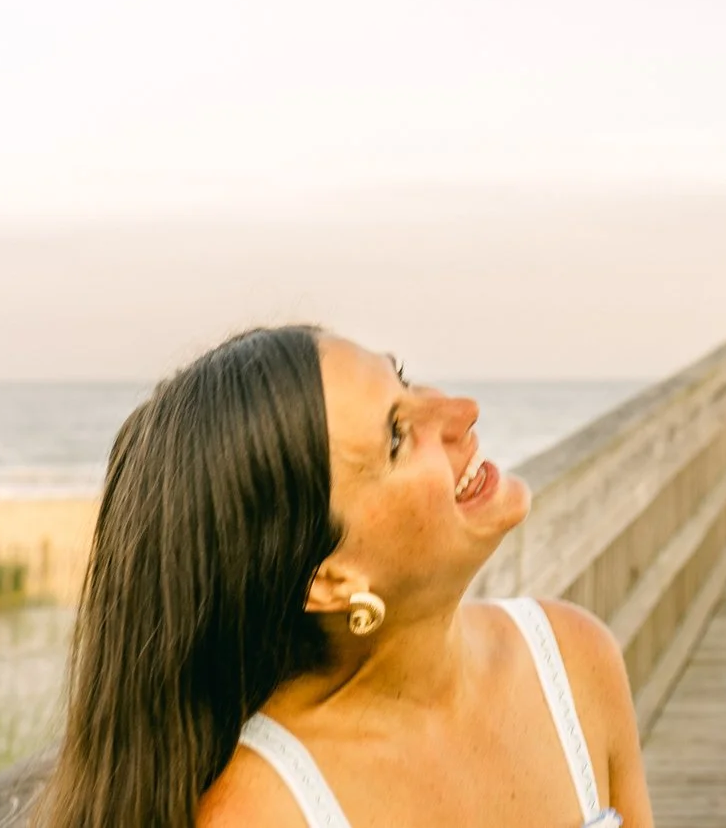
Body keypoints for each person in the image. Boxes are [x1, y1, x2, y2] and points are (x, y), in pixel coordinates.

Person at [42, 325, 652, 828]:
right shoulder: (266, 813)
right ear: (330, 579)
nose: (463, 412)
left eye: (404, 377)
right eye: (395, 438)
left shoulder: (574, 661)